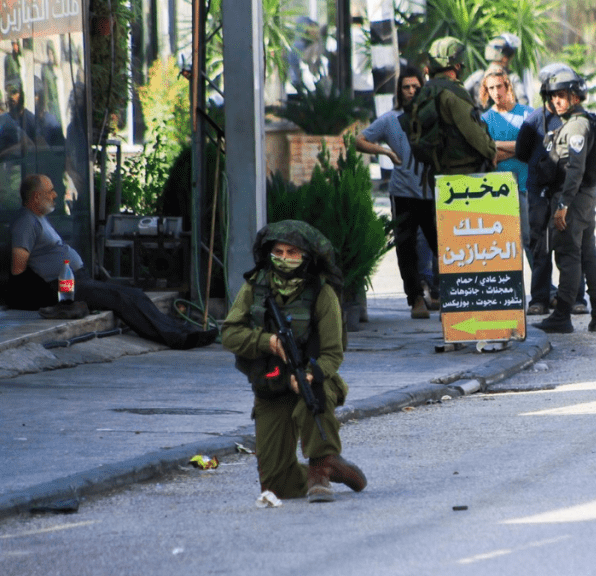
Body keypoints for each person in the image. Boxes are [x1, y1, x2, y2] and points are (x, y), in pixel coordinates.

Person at [221, 220, 367, 502]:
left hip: (312, 377)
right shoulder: (255, 288)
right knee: (276, 487)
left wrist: (313, 373)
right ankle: (334, 467)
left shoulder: (321, 293)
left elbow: (333, 352)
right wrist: (268, 342)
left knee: (316, 393)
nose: (285, 259)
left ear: (306, 257)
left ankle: (320, 470)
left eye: (293, 253)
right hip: (271, 384)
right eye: (279, 252)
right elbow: (229, 333)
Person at [7, 174, 218, 349]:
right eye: (50, 191)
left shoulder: (38, 218)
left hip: (74, 279)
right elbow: (19, 271)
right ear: (35, 198)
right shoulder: (25, 223)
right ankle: (177, 338)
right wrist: (57, 298)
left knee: (133, 293)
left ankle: (183, 330)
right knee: (119, 298)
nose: (55, 195)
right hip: (63, 285)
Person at [355, 65, 439, 320]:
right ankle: (415, 299)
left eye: (416, 86)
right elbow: (359, 140)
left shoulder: (433, 117)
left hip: (434, 192)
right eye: (406, 87)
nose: (411, 91)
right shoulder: (391, 120)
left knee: (443, 245)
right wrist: (386, 153)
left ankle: (447, 293)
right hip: (403, 193)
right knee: (406, 247)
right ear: (399, 91)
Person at [532, 68, 596, 334]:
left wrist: (563, 206)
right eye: (553, 97)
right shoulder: (578, 122)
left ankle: (563, 314)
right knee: (588, 253)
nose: (557, 102)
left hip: (573, 199)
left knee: (568, 254)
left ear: (576, 96)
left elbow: (574, 168)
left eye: (562, 96)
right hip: (583, 197)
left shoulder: (576, 126)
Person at [515, 63, 588, 317]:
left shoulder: (578, 121)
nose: (558, 100)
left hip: (568, 194)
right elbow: (522, 152)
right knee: (540, 246)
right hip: (539, 193)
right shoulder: (534, 120)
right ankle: (539, 299)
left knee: (570, 247)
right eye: (554, 94)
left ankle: (576, 298)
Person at [409, 36, 496, 176]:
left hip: (435, 171)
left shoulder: (425, 91)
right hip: (462, 173)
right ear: (457, 66)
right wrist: (492, 151)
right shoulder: (452, 94)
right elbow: (473, 133)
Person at [481, 65, 533, 254]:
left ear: (507, 86)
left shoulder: (527, 114)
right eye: (491, 88)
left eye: (499, 86)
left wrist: (498, 144)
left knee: (530, 240)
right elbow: (490, 155)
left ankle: (541, 283)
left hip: (526, 186)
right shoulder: (485, 119)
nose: (496, 92)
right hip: (499, 189)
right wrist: (520, 148)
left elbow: (534, 147)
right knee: (504, 243)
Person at [464, 33, 529, 108]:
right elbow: (524, 103)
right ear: (505, 58)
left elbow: (459, 95)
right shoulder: (512, 78)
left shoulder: (478, 76)